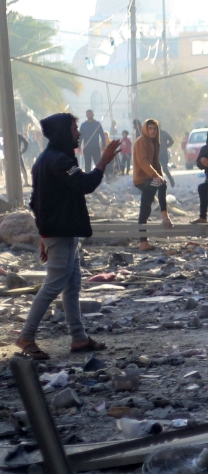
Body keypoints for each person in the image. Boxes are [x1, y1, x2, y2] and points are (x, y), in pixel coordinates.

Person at [15, 113, 120, 360]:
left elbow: (36, 201)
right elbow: (86, 184)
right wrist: (103, 161)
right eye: (74, 128)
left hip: (63, 231)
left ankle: (79, 338)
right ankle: (26, 336)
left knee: (72, 285)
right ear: (64, 132)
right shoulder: (60, 161)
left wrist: (44, 234)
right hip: (60, 232)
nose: (78, 132)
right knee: (54, 285)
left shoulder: (47, 159)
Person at [133, 119, 173, 251]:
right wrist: (156, 176)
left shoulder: (154, 143)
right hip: (142, 179)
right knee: (159, 188)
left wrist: (160, 176)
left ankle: (143, 242)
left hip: (150, 179)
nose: (152, 131)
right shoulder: (141, 141)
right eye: (150, 128)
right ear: (145, 129)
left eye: (154, 129)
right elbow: (143, 161)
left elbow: (156, 163)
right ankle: (164, 216)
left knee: (146, 208)